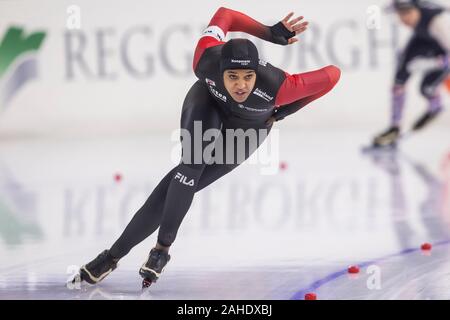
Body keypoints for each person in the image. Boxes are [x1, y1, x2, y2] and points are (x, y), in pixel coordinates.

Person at [75, 7, 341, 287]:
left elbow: (333, 75)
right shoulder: (205, 58)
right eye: (233, 76)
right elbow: (225, 13)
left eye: (248, 77)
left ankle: (123, 255)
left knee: (176, 186)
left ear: (256, 73)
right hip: (208, 105)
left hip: (248, 129)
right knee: (188, 169)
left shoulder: (280, 86)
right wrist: (267, 31)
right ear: (220, 69)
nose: (240, 85)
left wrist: (283, 112)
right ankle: (153, 252)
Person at [373, 0, 450, 147]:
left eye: (408, 13)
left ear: (418, 8)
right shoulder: (410, 13)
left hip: (442, 48)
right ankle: (394, 127)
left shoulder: (439, 22)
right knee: (399, 80)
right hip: (422, 39)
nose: (404, 18)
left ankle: (436, 105)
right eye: (400, 14)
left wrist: (433, 63)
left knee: (426, 88)